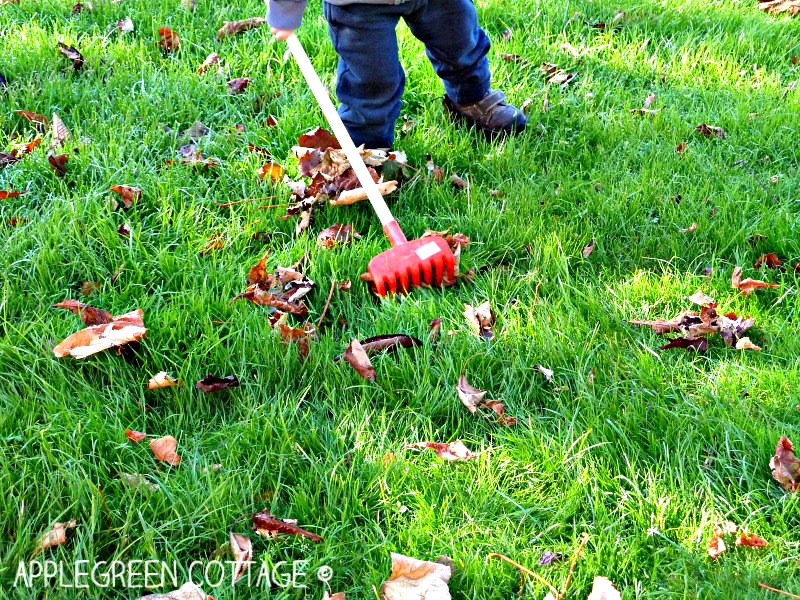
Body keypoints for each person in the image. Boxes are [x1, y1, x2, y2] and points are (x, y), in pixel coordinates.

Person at [267, 0, 527, 149]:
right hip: (360, 6)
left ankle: (472, 98)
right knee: (371, 76)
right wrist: (284, 9)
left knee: (459, 42)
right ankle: (367, 144)